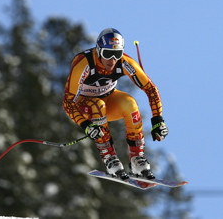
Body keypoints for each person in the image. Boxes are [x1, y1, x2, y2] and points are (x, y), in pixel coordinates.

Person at [63, 28, 169, 180]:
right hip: (84, 106)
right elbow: (68, 102)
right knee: (97, 105)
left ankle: (137, 159)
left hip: (109, 99)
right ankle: (110, 159)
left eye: (117, 54)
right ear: (98, 51)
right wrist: (86, 125)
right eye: (107, 54)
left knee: (129, 104)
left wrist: (158, 121)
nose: (112, 60)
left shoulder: (125, 63)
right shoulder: (84, 63)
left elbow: (151, 89)